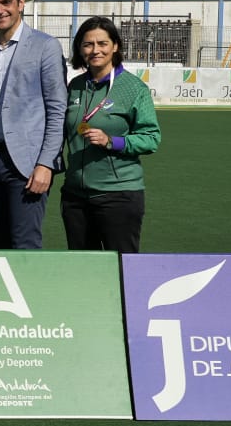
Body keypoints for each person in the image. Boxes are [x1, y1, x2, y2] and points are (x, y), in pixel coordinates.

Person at [0, 0, 68, 249]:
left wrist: (45, 163)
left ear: (21, 3)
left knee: (24, 244)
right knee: (0, 243)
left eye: (6, 2)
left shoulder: (45, 46)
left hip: (26, 163)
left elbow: (56, 108)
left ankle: (32, 293)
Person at [61, 16, 161, 252]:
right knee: (84, 269)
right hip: (75, 196)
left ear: (115, 46)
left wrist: (111, 141)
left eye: (102, 43)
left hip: (118, 195)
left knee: (123, 269)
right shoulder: (75, 86)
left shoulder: (134, 88)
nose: (95, 50)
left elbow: (151, 138)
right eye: (88, 44)